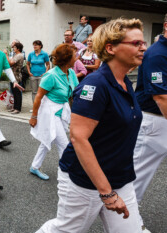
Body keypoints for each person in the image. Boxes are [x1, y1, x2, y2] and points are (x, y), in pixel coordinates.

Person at [36, 18, 146, 233]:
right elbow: (78, 137)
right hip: (85, 181)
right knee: (66, 230)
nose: (143, 47)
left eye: (143, 43)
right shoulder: (96, 85)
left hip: (120, 177)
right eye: (136, 43)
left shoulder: (125, 82)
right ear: (110, 48)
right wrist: (106, 192)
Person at [133, 14, 167, 233]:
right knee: (138, 175)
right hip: (153, 120)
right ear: (165, 26)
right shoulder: (157, 54)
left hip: (160, 119)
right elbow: (161, 96)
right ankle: (127, 221)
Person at [29, 44, 79, 180]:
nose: (77, 57)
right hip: (49, 111)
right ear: (67, 58)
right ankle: (67, 174)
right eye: (74, 55)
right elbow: (38, 96)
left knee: (48, 139)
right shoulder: (51, 75)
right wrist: (34, 116)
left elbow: (74, 94)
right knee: (64, 144)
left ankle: (34, 166)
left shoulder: (71, 73)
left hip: (62, 109)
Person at [26, 40, 50, 105]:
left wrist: (46, 73)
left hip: (42, 76)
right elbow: (27, 64)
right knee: (34, 92)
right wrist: (29, 72)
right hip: (33, 75)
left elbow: (48, 64)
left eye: (36, 45)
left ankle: (41, 107)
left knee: (41, 91)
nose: (34, 46)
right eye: (34, 45)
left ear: (40, 46)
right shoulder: (31, 54)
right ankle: (35, 106)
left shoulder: (44, 54)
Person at [4, 42, 24, 114]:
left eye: (14, 47)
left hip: (17, 77)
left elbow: (10, 63)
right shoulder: (16, 55)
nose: (13, 49)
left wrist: (6, 54)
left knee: (17, 93)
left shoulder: (19, 56)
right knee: (14, 93)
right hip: (13, 76)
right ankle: (14, 107)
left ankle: (18, 108)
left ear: (18, 48)